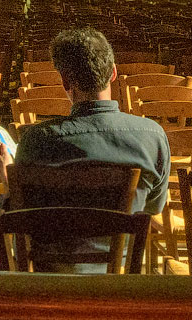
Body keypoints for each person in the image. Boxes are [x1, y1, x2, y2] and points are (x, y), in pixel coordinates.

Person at [11, 27, 171, 271]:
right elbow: (153, 208)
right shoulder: (153, 136)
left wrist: (6, 174)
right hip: (118, 274)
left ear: (65, 80)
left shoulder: (37, 140)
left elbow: (26, 215)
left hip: (51, 279)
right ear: (114, 73)